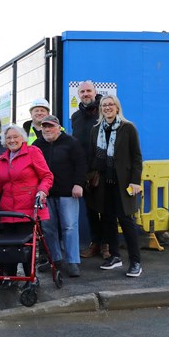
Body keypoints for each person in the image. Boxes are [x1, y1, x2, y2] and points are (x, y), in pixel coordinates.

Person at [0, 125, 53, 288]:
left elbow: (47, 176)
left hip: (27, 208)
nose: (12, 140)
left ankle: (30, 278)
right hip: (7, 210)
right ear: (4, 141)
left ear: (23, 138)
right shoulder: (2, 158)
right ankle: (10, 277)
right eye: (8, 138)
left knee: (26, 246)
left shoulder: (33, 152)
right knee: (8, 246)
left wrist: (42, 191)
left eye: (15, 137)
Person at [87, 95, 143, 277]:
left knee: (126, 222)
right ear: (101, 109)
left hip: (123, 184)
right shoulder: (96, 130)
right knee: (108, 220)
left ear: (117, 108)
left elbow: (136, 157)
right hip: (104, 184)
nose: (107, 108)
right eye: (104, 105)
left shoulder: (128, 128)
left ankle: (136, 262)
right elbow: (92, 156)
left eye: (110, 105)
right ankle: (115, 257)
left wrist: (135, 181)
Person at [33, 115, 86, 277]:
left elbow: (81, 164)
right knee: (48, 229)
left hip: (67, 193)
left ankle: (72, 262)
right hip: (46, 194)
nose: (47, 129)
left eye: (50, 126)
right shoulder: (37, 145)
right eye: (44, 127)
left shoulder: (71, 142)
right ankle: (55, 260)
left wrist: (79, 184)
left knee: (69, 227)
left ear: (58, 127)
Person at [71, 80, 107, 259]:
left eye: (88, 91)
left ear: (95, 92)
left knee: (106, 209)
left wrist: (101, 168)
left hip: (103, 170)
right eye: (82, 91)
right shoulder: (76, 117)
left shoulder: (104, 112)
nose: (86, 94)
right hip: (85, 171)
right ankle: (95, 243)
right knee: (91, 210)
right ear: (78, 94)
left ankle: (107, 245)